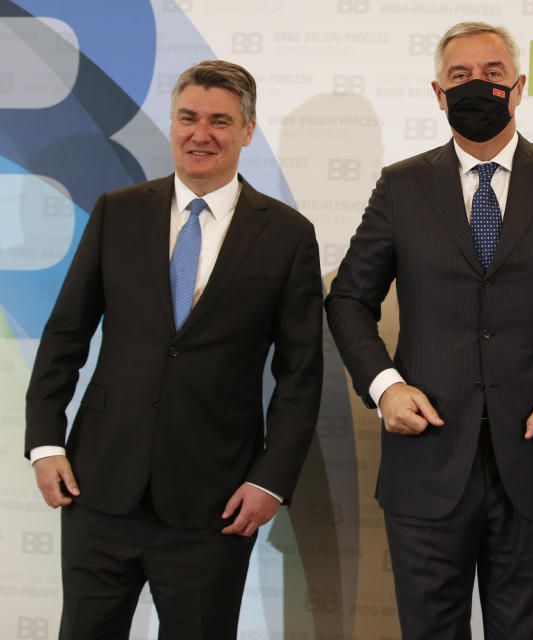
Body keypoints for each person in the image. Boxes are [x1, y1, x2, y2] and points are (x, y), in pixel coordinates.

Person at [325, 21, 533, 639]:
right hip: (425, 461)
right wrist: (384, 385)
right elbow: (347, 300)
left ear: (518, 87)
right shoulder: (401, 185)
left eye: (493, 74)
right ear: (438, 94)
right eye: (461, 77)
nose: (478, 86)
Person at [24, 60, 324, 639]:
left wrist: (270, 480)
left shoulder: (287, 235)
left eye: (219, 120)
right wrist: (43, 442)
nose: (200, 133)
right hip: (98, 488)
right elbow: (66, 334)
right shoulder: (118, 210)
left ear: (247, 130)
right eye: (187, 117)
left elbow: (301, 373)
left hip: (214, 504)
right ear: (171, 123)